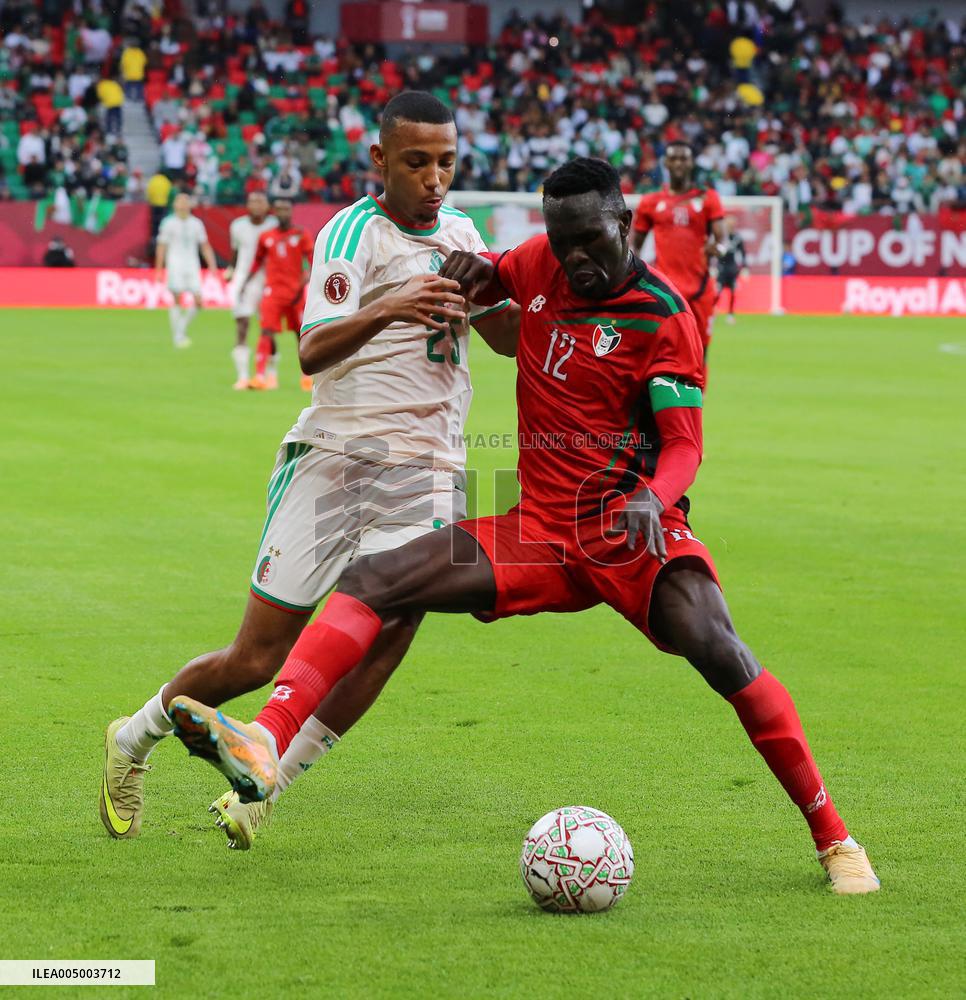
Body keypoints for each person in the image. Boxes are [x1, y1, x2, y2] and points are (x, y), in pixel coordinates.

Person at [169, 158, 880, 895]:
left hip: (628, 529)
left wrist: (655, 498)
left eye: (590, 240)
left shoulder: (664, 316)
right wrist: (447, 273)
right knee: (377, 580)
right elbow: (484, 278)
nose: (574, 258)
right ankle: (265, 739)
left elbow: (686, 446)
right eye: (561, 240)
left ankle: (835, 840)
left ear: (626, 225)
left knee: (720, 650)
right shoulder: (540, 264)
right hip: (537, 529)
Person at [99, 91, 518, 849]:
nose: (435, 177)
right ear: (379, 160)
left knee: (392, 623)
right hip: (332, 459)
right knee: (256, 658)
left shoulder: (463, 233)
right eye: (418, 161)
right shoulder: (350, 233)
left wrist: (488, 289)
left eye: (447, 161)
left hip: (425, 469)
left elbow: (512, 344)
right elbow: (312, 350)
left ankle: (266, 786)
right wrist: (396, 305)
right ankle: (132, 738)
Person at [630, 141, 726, 364]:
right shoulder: (651, 202)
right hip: (665, 290)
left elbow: (722, 241)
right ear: (666, 163)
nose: (679, 163)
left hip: (700, 290)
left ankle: (697, 399)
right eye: (674, 158)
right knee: (660, 349)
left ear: (692, 163)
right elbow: (635, 247)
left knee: (700, 351)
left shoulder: (707, 197)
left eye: (684, 158)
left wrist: (718, 249)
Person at [239, 197, 313, 391]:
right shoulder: (266, 236)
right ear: (274, 212)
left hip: (296, 292)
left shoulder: (301, 234)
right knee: (266, 331)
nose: (283, 213)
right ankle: (260, 377)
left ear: (291, 211)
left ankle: (307, 376)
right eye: (279, 209)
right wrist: (245, 282)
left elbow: (312, 263)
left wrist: (304, 283)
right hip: (272, 292)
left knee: (301, 334)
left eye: (286, 209)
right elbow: (257, 261)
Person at [224, 191, 277, 389]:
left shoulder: (273, 225)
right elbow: (236, 251)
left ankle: (271, 374)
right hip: (243, 280)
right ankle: (243, 376)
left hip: (267, 280)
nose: (256, 205)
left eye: (260, 201)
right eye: (252, 201)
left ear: (266, 205)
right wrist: (231, 270)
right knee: (242, 325)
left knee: (268, 328)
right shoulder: (237, 226)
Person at [154, 192, 217, 349]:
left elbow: (204, 245)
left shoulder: (197, 224)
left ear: (190, 205)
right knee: (177, 299)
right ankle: (178, 337)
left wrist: (212, 264)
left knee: (198, 301)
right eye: (179, 202)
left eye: (185, 201)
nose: (182, 205)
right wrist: (159, 269)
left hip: (192, 265)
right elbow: (162, 247)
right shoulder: (168, 223)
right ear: (174, 205)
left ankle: (179, 331)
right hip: (175, 264)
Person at [715, 216, 746, 325]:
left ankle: (730, 314)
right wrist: (713, 266)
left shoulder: (737, 238)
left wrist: (744, 267)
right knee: (717, 291)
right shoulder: (721, 237)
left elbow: (742, 253)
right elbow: (714, 251)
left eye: (732, 224)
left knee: (733, 292)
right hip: (721, 268)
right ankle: (713, 310)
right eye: (728, 224)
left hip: (732, 269)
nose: (730, 226)